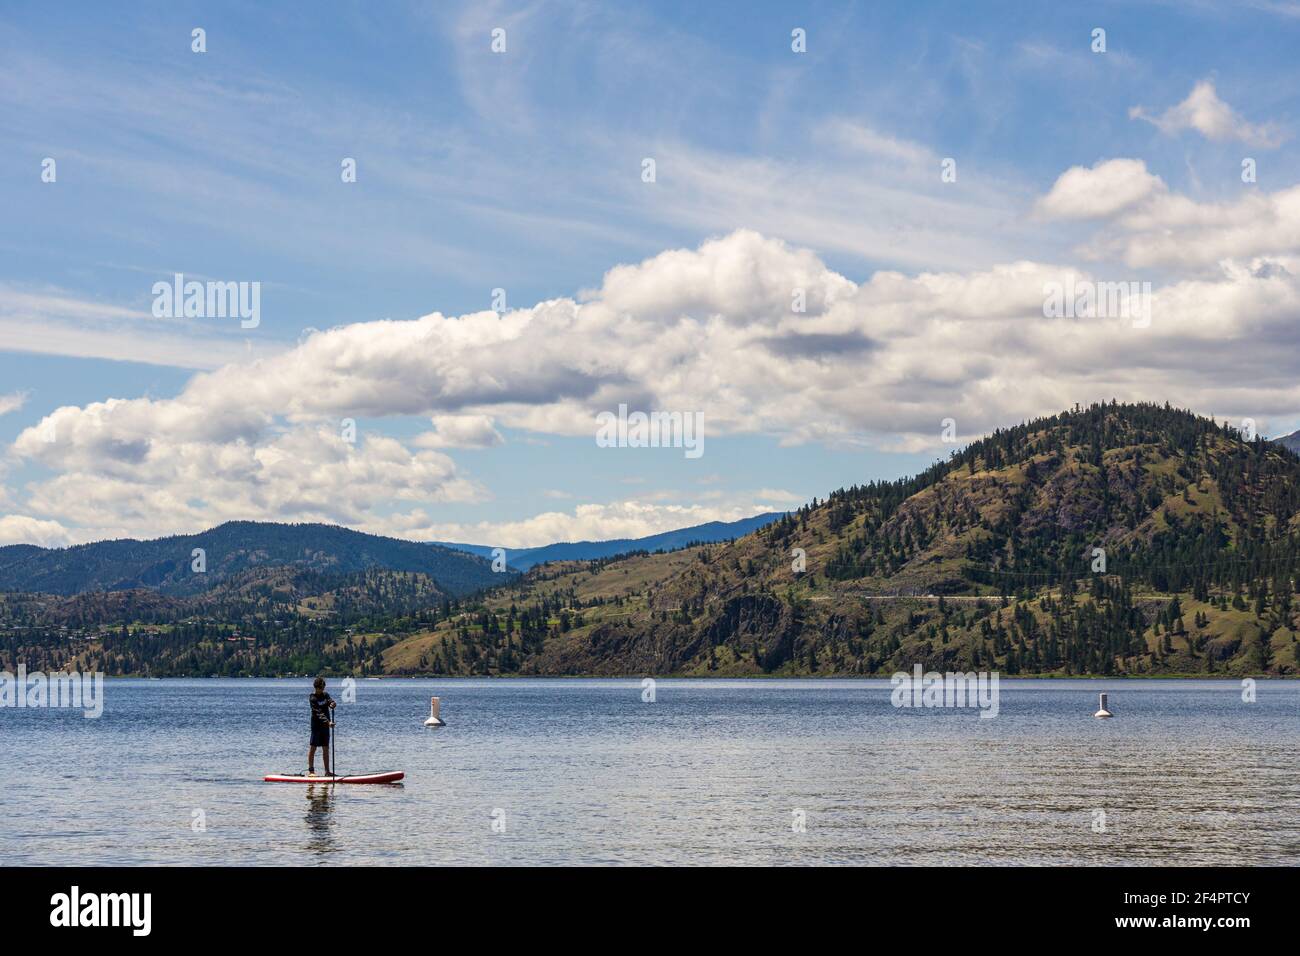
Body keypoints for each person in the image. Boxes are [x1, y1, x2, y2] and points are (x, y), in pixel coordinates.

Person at [307, 677, 337, 777]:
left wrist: (332, 704)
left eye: (324, 687)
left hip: (325, 727)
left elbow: (330, 701)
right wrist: (328, 722)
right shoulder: (312, 698)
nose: (323, 690)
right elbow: (318, 713)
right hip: (316, 726)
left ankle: (327, 772)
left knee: (326, 748)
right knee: (313, 748)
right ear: (316, 688)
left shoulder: (325, 695)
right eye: (321, 688)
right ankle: (311, 771)